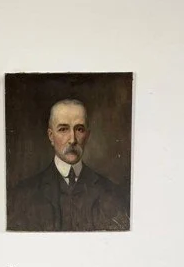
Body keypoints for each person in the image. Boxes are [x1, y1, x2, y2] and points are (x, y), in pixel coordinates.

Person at [7, 99, 130, 232]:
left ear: (87, 136)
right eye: (63, 129)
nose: (72, 139)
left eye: (79, 129)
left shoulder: (112, 193)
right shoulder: (22, 195)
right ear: (50, 136)